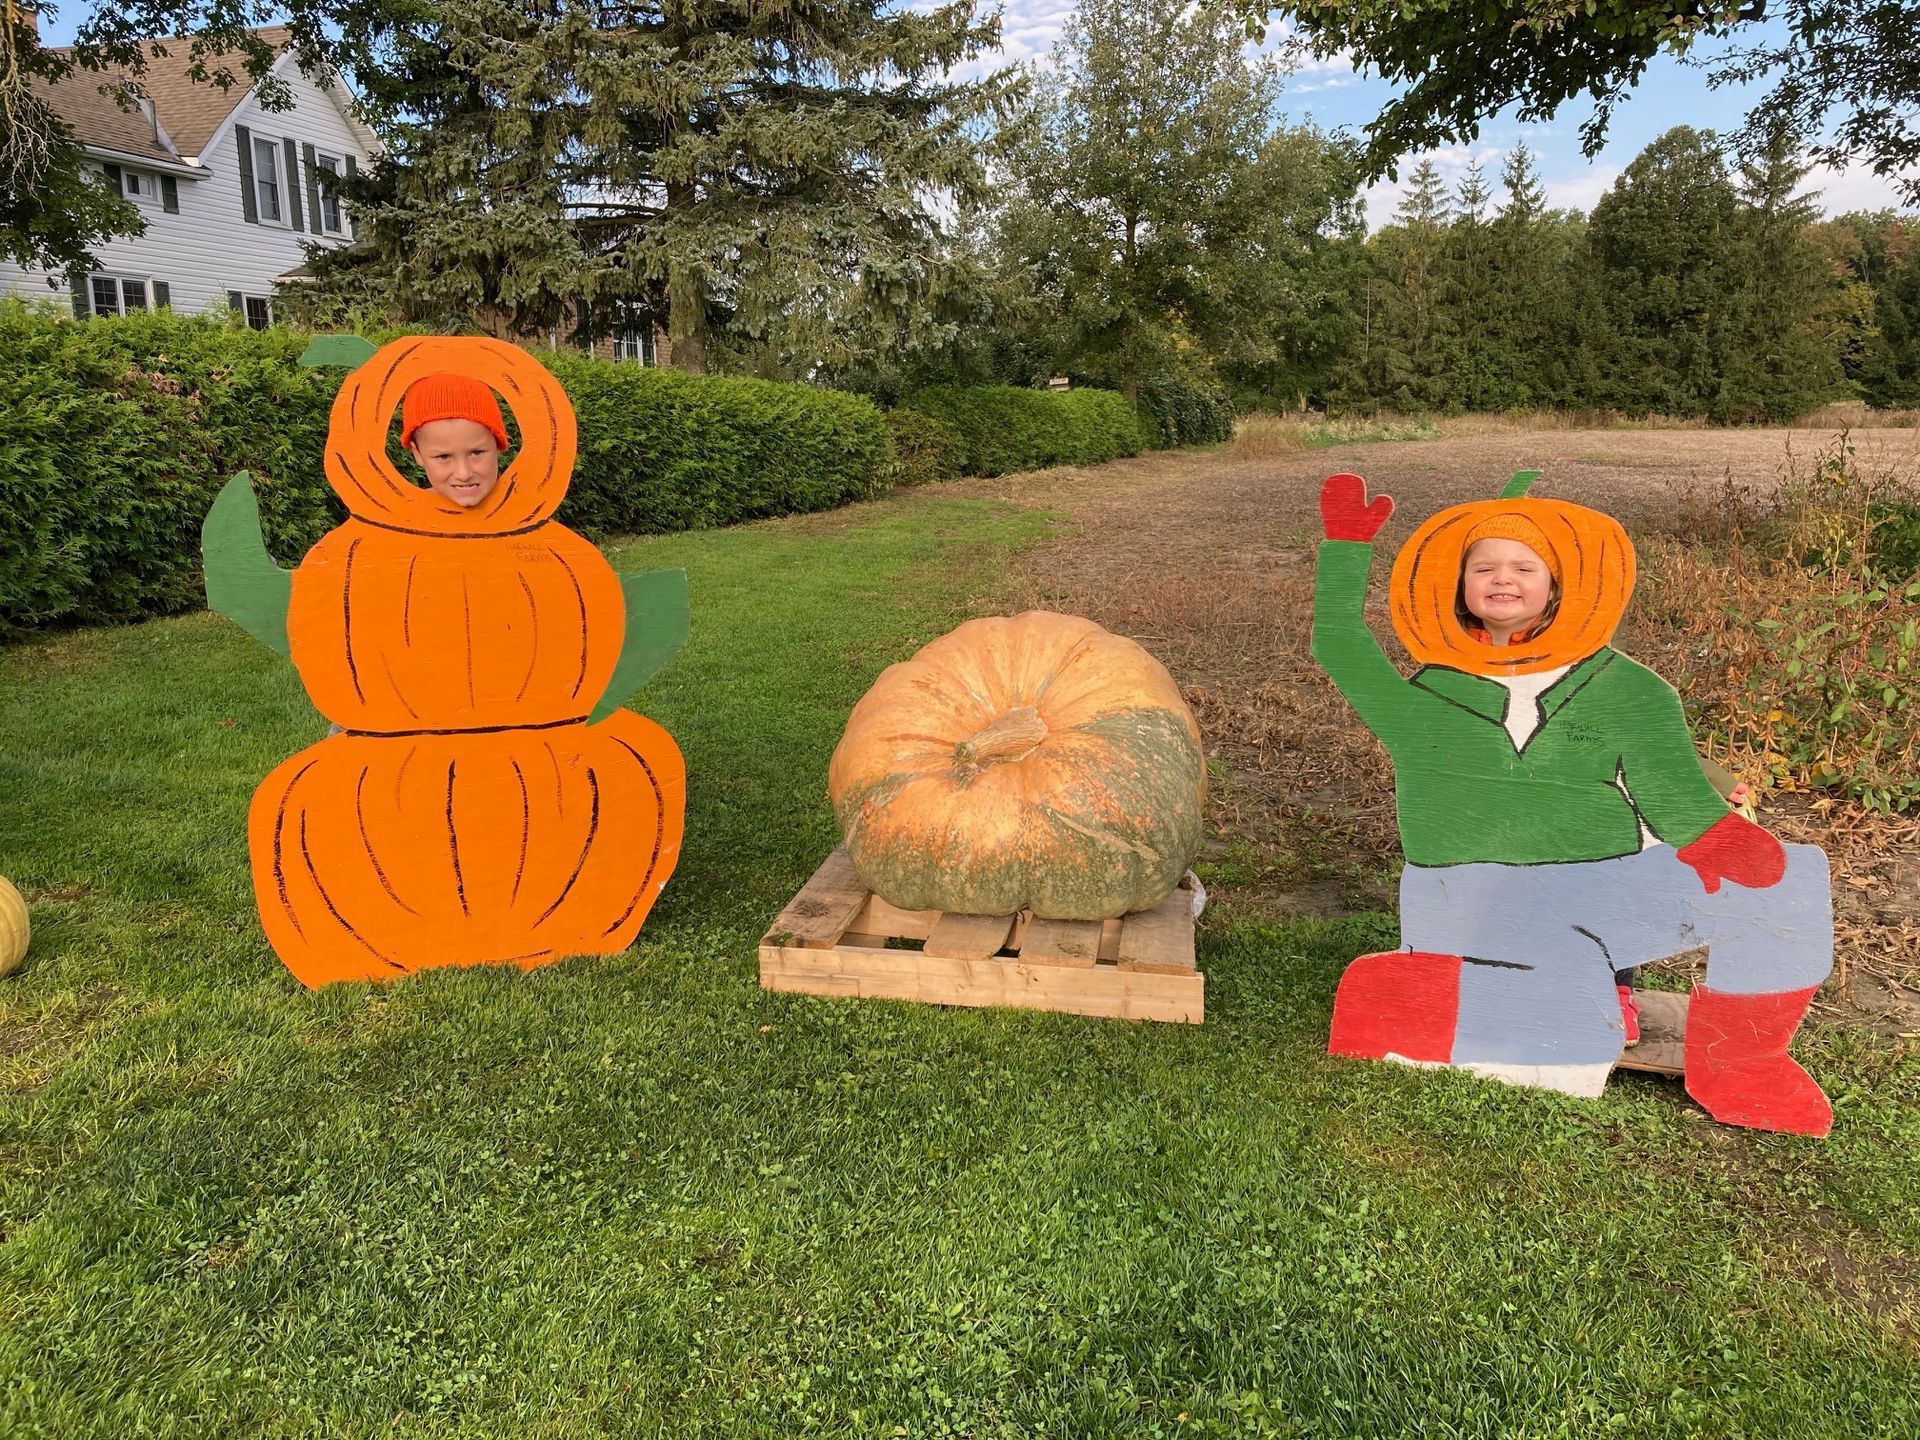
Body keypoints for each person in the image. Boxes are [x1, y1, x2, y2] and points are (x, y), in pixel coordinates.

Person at [1313, 472, 1834, 1135]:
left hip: (1599, 885)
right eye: (1485, 568)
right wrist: (1345, 548)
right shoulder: (1421, 698)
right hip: (1466, 900)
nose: (1504, 579)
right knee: (1574, 1038)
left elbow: (1672, 794)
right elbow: (1338, 646)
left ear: (1557, 585)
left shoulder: (1629, 690)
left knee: (1795, 879)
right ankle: (1466, 996)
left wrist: (1725, 841)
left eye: (1525, 566)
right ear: (1460, 588)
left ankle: (1741, 1066)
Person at [401, 372, 511, 508]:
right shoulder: (407, 517)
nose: (464, 474)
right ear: (418, 454)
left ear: (498, 445)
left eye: (476, 453)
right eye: (444, 456)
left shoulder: (534, 512)